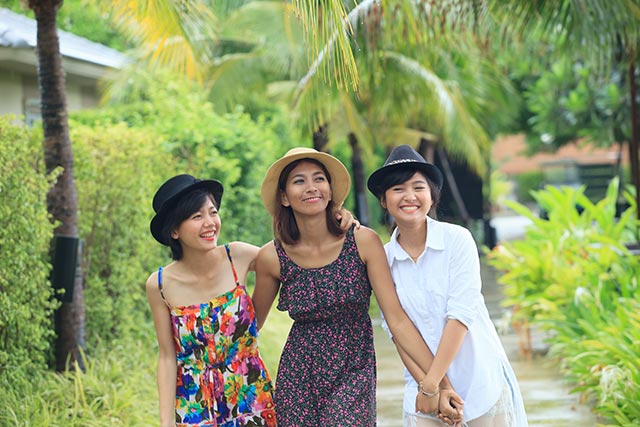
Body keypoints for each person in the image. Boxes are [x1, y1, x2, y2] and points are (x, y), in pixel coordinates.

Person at [252, 147, 464, 427]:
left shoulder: (362, 241)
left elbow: (397, 320)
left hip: (353, 367)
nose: (311, 187)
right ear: (284, 196)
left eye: (319, 179)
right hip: (299, 372)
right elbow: (249, 329)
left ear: (329, 189)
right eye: (299, 181)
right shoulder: (272, 257)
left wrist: (441, 384)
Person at [367, 145, 528, 427]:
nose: (409, 197)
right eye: (397, 189)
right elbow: (397, 329)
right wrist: (431, 387)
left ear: (431, 196)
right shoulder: (383, 259)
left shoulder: (458, 240)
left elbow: (460, 316)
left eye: (418, 187)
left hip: (479, 382)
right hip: (423, 392)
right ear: (383, 200)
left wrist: (433, 384)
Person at [145, 174, 276, 427]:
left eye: (212, 212)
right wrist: (165, 422)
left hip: (250, 393)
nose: (210, 223)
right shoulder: (160, 284)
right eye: (197, 217)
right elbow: (166, 356)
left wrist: (336, 221)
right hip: (195, 405)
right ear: (174, 230)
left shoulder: (237, 256)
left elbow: (290, 259)